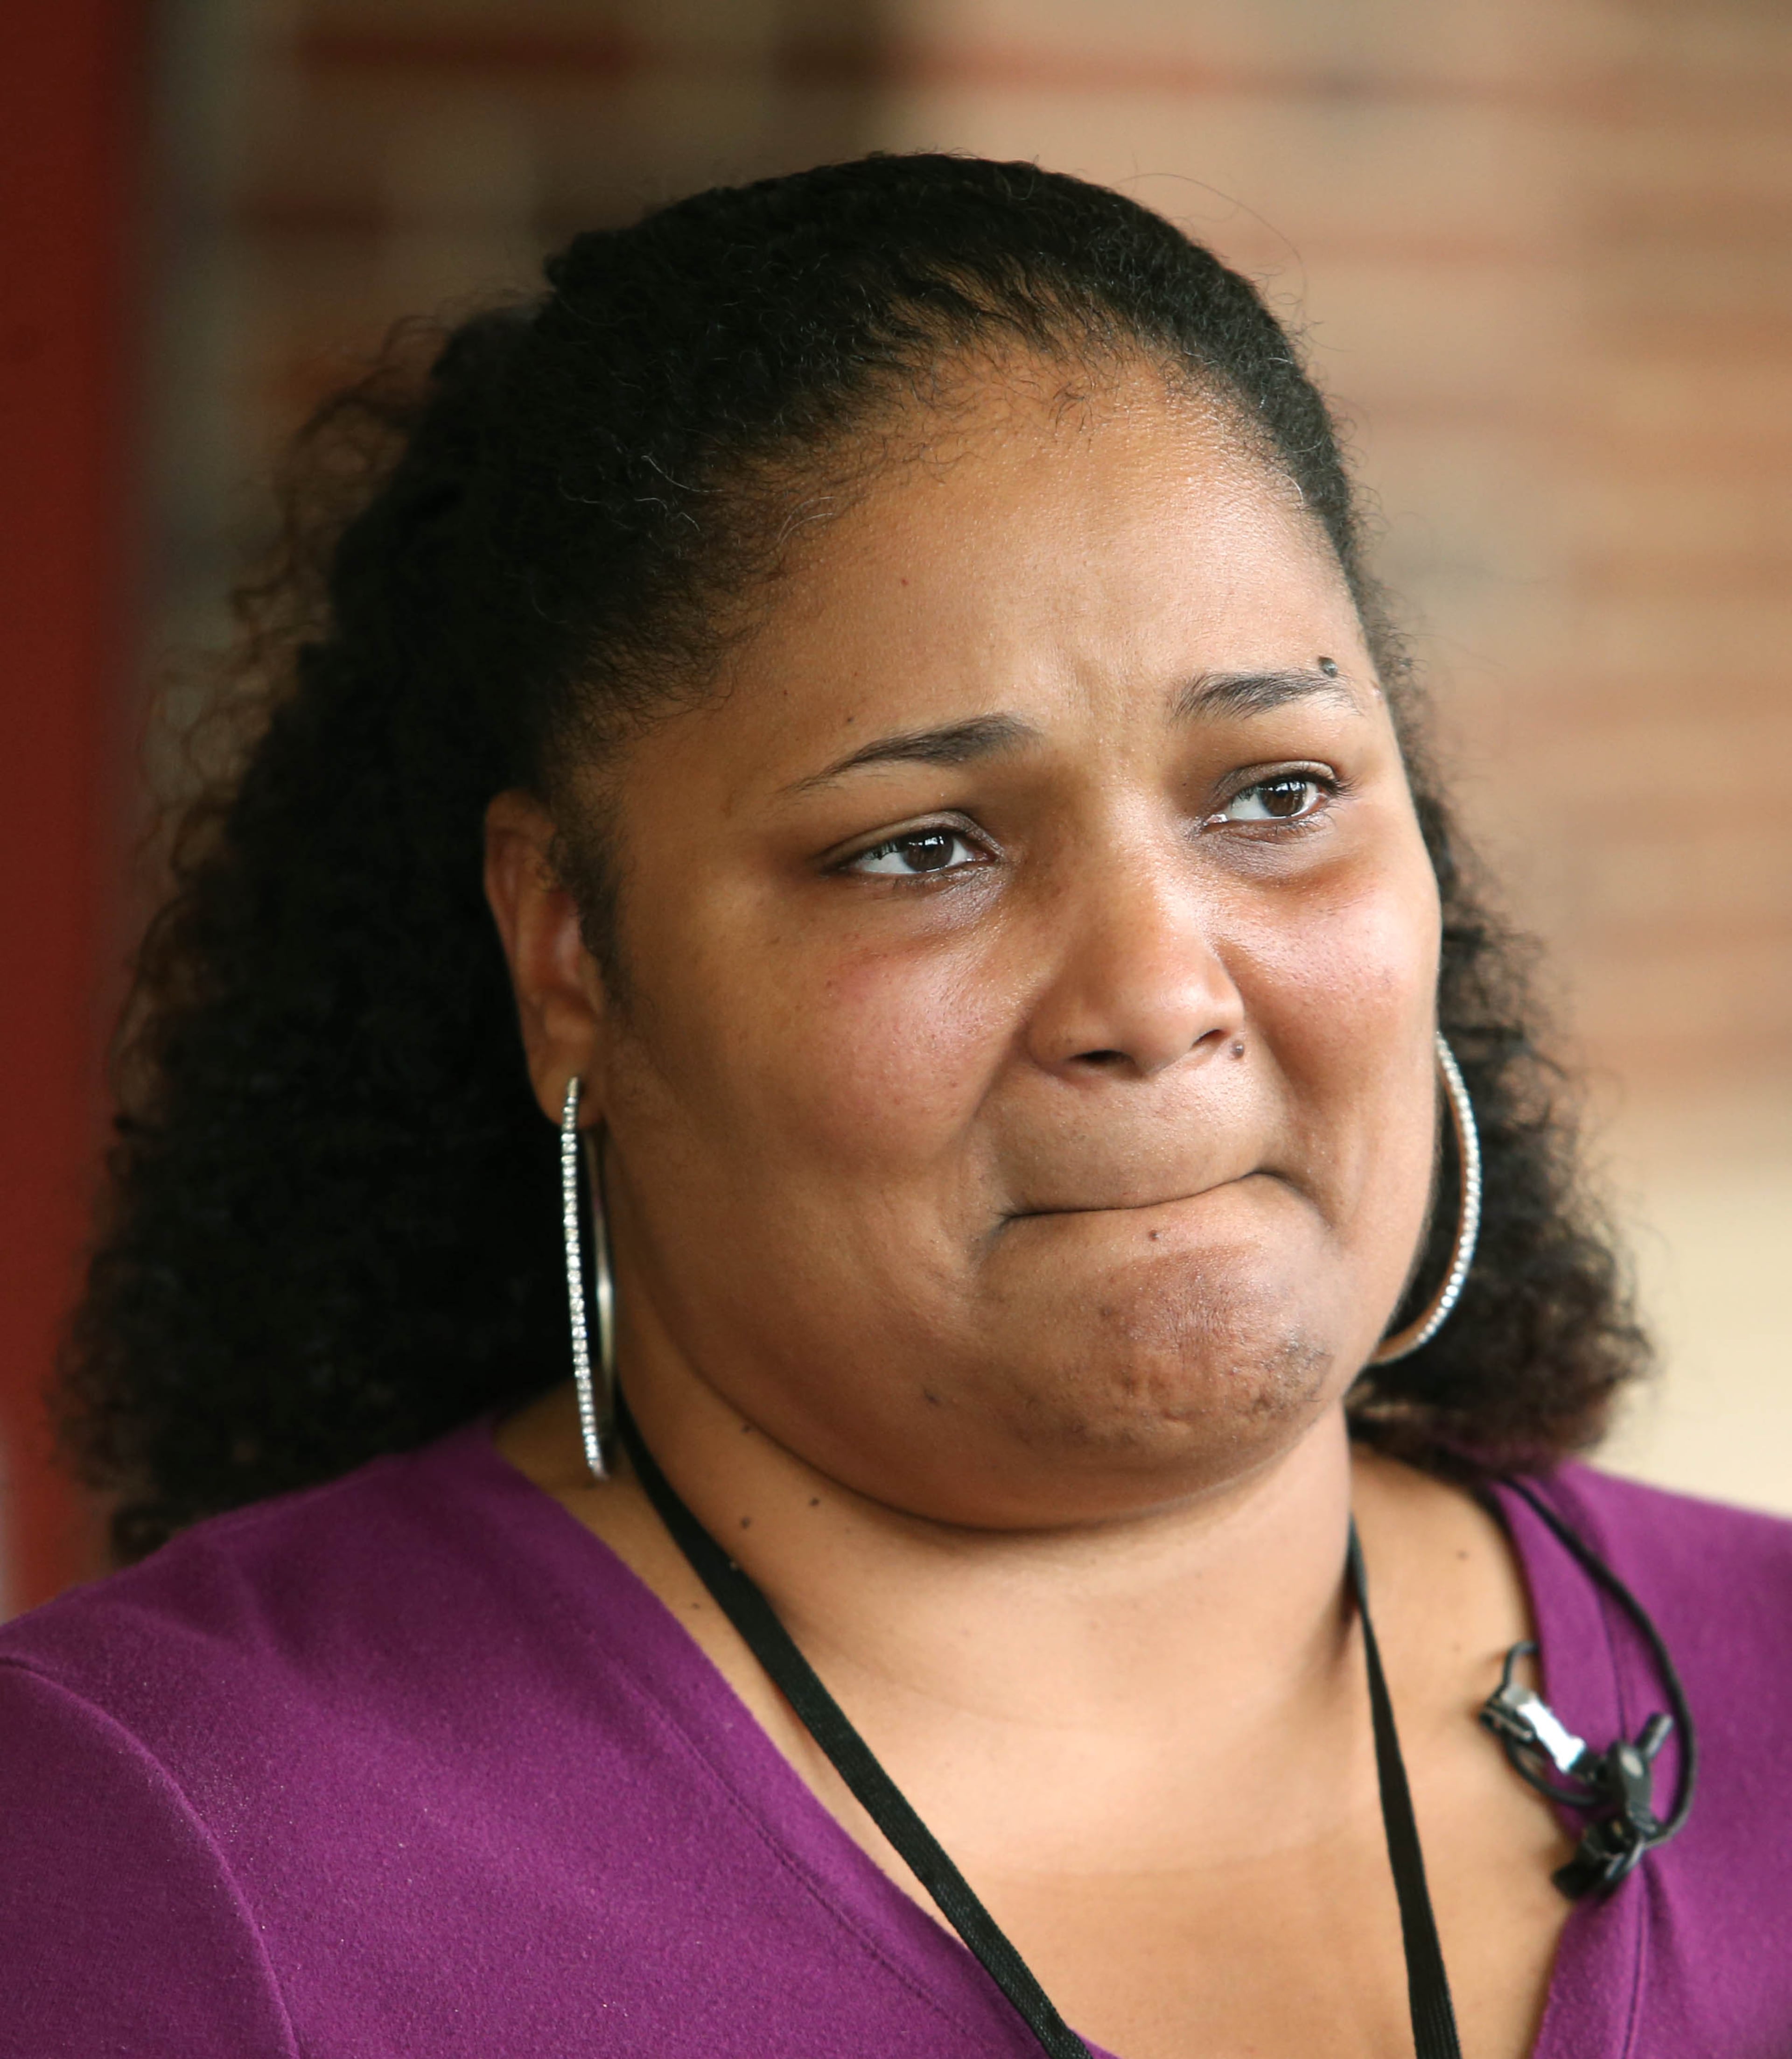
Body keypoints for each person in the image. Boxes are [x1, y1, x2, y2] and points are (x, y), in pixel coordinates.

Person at [1, 154, 1786, 2059]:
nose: (1160, 992)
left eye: (1274, 793)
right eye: (923, 845)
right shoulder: (164, 1859)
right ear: (570, 954)